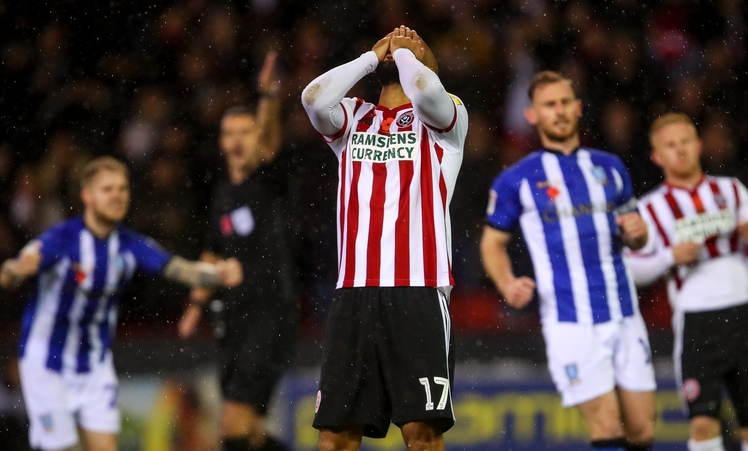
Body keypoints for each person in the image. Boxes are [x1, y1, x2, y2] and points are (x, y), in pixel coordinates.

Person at [0, 156, 243, 451]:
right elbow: (11, 272)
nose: (117, 195)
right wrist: (15, 272)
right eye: (108, 189)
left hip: (94, 364)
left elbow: (182, 269)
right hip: (46, 364)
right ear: (87, 196)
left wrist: (219, 274)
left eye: (122, 188)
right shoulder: (61, 239)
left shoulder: (130, 244)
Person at [301, 26, 468, 451]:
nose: (403, 40)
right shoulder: (354, 117)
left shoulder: (446, 118)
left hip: (418, 290)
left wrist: (408, 53)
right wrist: (371, 59)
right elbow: (313, 98)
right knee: (334, 436)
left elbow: (427, 91)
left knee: (421, 433)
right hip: (353, 294)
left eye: (417, 43)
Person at [480, 70, 656, 451]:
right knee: (607, 427)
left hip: (625, 313)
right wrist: (507, 282)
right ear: (532, 115)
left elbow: (636, 232)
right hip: (570, 320)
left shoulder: (610, 166)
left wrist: (639, 233)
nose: (558, 112)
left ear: (578, 109)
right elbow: (492, 244)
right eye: (549, 105)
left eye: (564, 103)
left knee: (642, 430)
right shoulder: (517, 180)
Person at [626, 112, 748, 451]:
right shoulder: (652, 208)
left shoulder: (730, 189)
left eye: (685, 141)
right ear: (657, 156)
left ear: (699, 145)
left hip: (744, 317)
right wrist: (670, 256)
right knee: (702, 424)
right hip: (697, 323)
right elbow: (631, 269)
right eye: (670, 145)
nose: (680, 150)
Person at [177, 51, 298, 451]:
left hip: (269, 312)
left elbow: (268, 143)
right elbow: (213, 251)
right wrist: (196, 304)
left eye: (247, 132)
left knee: (230, 427)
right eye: (231, 132)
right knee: (250, 433)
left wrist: (268, 98)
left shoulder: (267, 180)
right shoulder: (223, 194)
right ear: (221, 141)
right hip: (234, 318)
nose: (239, 139)